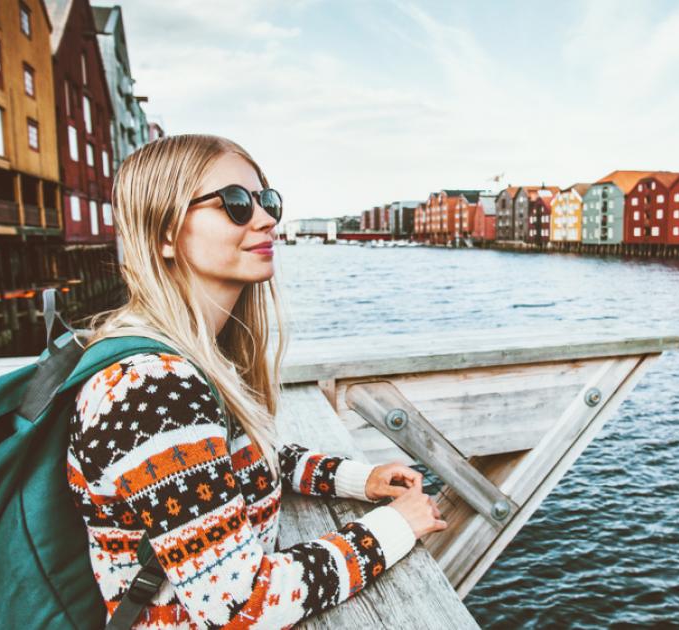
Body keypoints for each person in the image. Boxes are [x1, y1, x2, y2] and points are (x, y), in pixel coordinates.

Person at [66, 134, 447, 628]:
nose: (266, 219)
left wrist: (357, 479)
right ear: (163, 233)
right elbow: (242, 605)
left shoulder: (189, 355)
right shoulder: (153, 387)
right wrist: (393, 527)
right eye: (236, 204)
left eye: (266, 201)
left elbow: (236, 462)